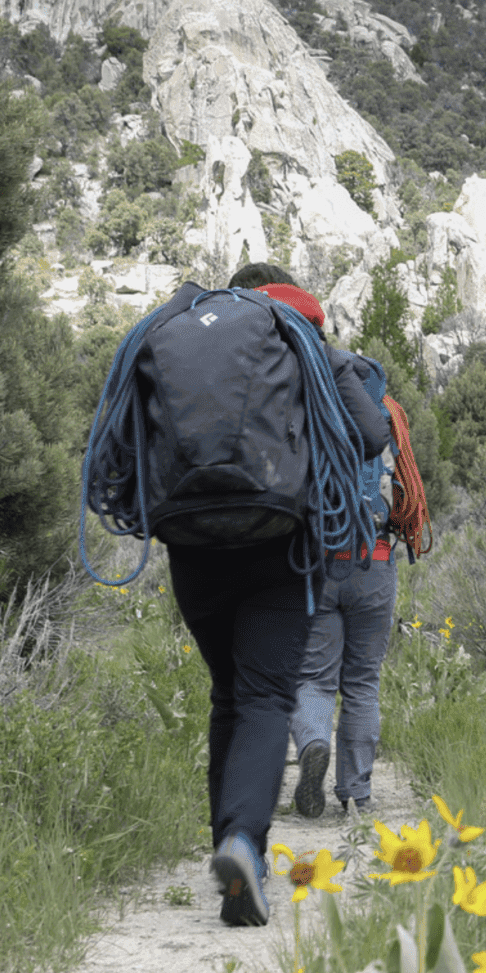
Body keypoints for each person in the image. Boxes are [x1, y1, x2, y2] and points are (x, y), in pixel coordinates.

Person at [168, 263, 391, 926]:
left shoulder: (188, 340)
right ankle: (244, 842)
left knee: (227, 694)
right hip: (279, 543)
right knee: (266, 694)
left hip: (193, 542)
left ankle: (228, 848)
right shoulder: (308, 342)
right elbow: (373, 436)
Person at [263, 281, 406, 821]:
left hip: (319, 562)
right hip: (378, 562)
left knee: (315, 678)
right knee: (363, 681)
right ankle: (357, 792)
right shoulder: (385, 414)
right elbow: (409, 496)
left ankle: (313, 744)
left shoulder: (304, 408)